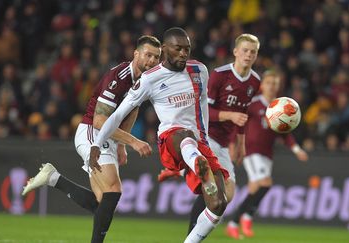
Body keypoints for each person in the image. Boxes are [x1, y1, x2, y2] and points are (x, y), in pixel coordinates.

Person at [89, 27, 229, 243]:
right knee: (183, 134)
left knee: (219, 204)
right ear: (164, 49)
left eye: (187, 49)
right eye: (178, 48)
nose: (184, 53)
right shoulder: (149, 79)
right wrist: (97, 145)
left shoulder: (199, 70)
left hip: (197, 143)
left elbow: (202, 107)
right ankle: (195, 161)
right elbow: (117, 116)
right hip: (170, 139)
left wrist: (205, 140)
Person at [21, 35, 161, 243]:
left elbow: (132, 110)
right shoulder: (119, 77)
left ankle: (53, 178)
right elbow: (99, 120)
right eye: (148, 55)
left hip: (110, 136)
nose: (152, 61)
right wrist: (133, 141)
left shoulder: (144, 80)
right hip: (92, 133)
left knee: (102, 203)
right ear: (136, 54)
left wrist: (121, 145)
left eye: (156, 57)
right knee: (114, 189)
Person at [158, 33, 262, 234]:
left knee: (228, 194)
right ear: (235, 52)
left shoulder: (254, 81)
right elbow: (206, 111)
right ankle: (192, 233)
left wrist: (240, 143)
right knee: (213, 191)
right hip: (206, 136)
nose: (248, 55)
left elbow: (243, 115)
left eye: (253, 52)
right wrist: (230, 116)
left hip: (223, 143)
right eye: (245, 51)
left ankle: (182, 170)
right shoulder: (220, 75)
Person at [226, 70, 309, 239]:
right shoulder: (253, 104)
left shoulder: (281, 108)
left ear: (278, 87)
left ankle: (235, 223)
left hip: (267, 153)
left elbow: (286, 134)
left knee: (255, 188)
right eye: (269, 83)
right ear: (262, 85)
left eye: (275, 83)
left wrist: (297, 150)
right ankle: (244, 219)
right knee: (265, 183)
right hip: (251, 150)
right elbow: (238, 124)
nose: (272, 86)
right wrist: (233, 144)